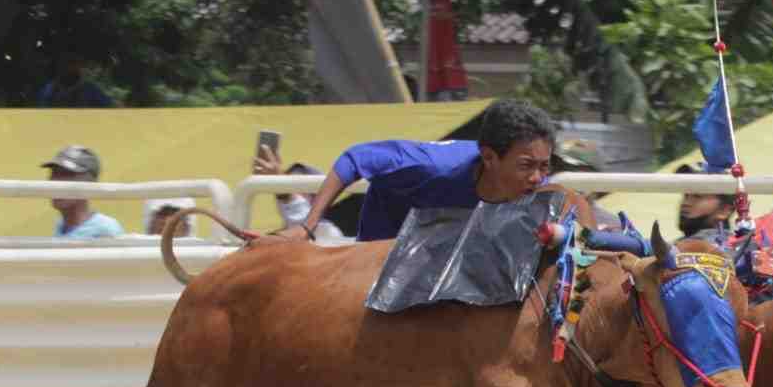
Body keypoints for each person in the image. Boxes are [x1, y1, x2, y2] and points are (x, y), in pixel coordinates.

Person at [297, 98, 555, 242]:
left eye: (544, 166)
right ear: (489, 157)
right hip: (384, 249)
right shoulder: (431, 165)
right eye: (526, 166)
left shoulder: (540, 187)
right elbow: (353, 158)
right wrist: (307, 227)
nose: (537, 178)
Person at [250, 153, 345, 240]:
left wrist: (284, 192)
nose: (284, 204)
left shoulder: (328, 232)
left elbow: (308, 225)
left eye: (299, 191)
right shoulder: (276, 237)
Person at [40, 146, 124, 239]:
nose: (56, 182)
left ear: (90, 183)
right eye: (54, 174)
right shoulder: (61, 225)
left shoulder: (105, 230)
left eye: (66, 175)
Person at [549, 138, 621, 229]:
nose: (562, 174)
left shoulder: (612, 225)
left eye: (573, 170)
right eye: (559, 168)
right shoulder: (538, 212)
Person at [675, 162, 735, 243]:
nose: (686, 203)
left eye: (697, 196)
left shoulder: (729, 249)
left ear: (724, 210)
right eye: (686, 195)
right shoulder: (676, 246)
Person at [38, 52, 115, 108]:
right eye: (69, 63)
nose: (72, 67)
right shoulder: (49, 90)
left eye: (76, 63)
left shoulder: (90, 90)